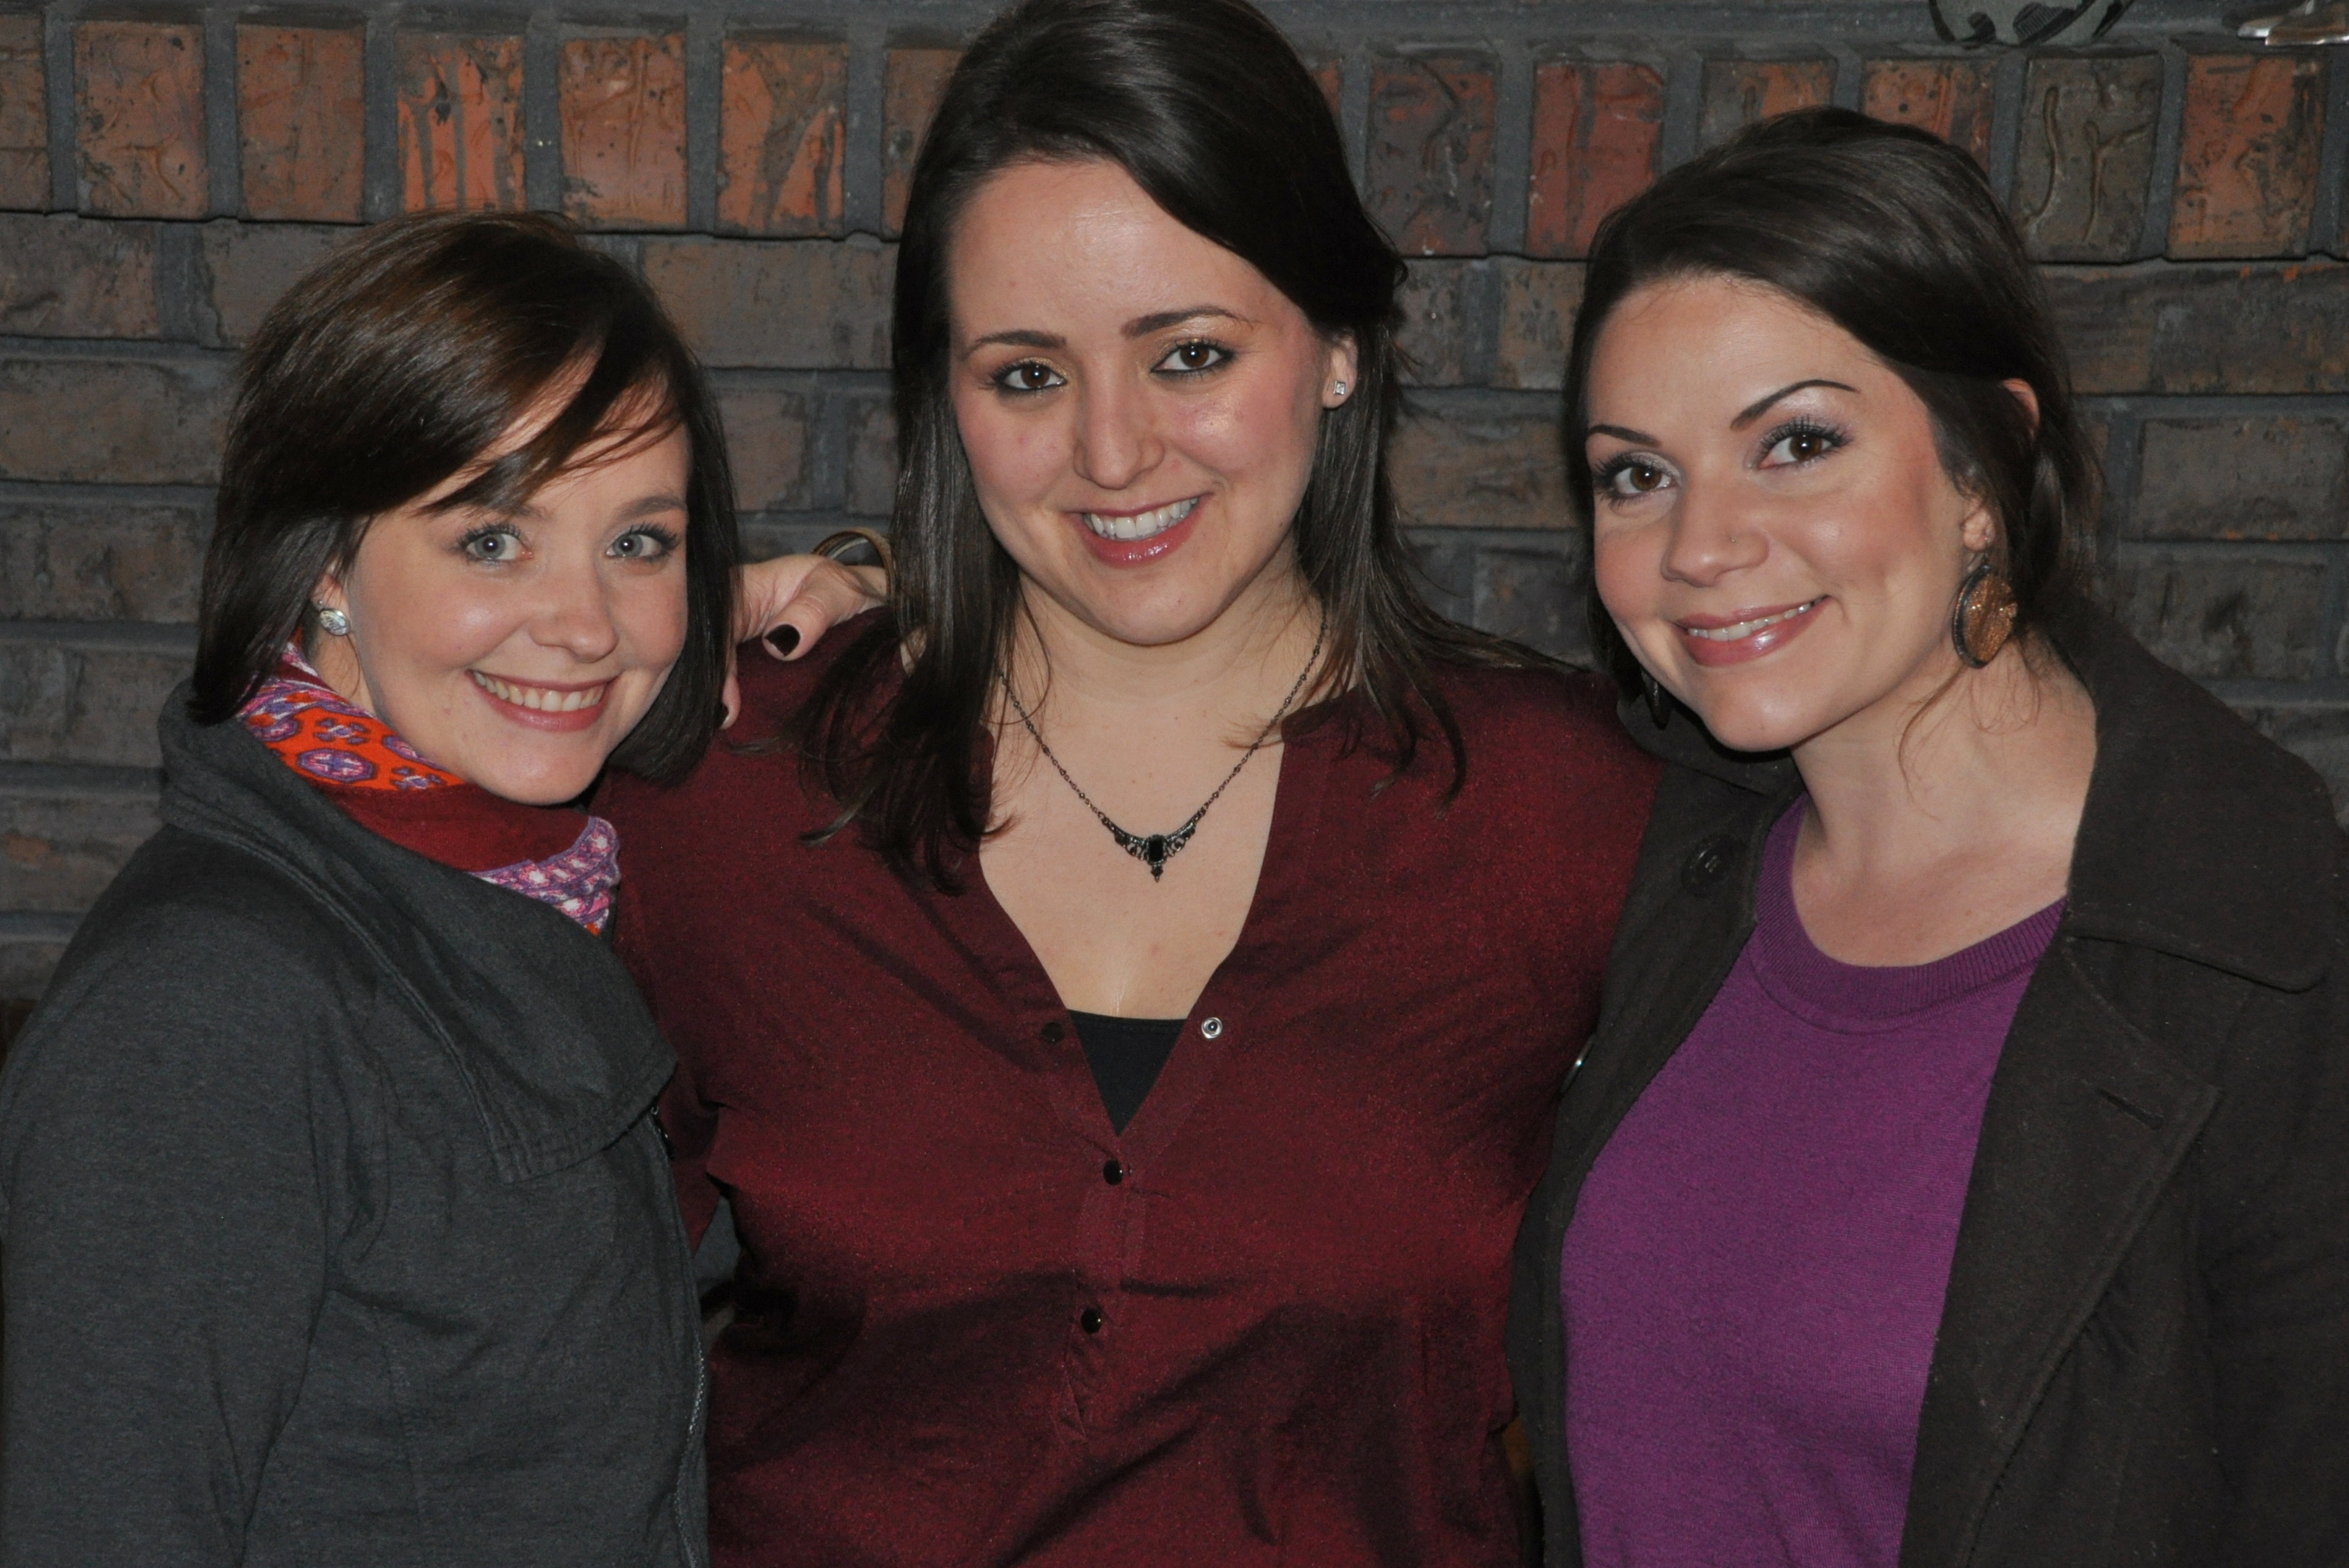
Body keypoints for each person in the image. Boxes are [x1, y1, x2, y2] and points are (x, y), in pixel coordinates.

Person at [597, 0, 1657, 1561]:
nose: (1111, 452)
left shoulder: (1570, 813)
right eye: (1027, 375)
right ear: (947, 400)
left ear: (1341, 349)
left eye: (1191, 355)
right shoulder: (735, 790)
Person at [1507, 109, 2349, 1568]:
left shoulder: (2265, 957)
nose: (1699, 545)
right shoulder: (1649, 857)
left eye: (1797, 444)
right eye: (1636, 473)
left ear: (1984, 467)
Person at [0, 211, 743, 1565]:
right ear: (329, 562)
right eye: (494, 540)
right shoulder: (208, 1010)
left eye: (639, 543)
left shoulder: (530, 882)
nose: (588, 624)